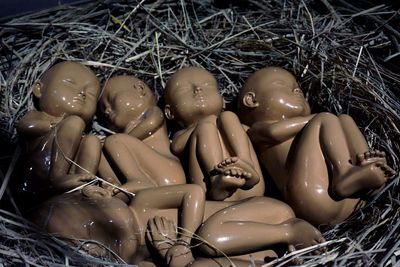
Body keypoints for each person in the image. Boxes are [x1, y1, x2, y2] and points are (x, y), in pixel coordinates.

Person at [237, 67, 396, 225]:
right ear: (251, 100)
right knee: (325, 119)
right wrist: (317, 117)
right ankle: (345, 173)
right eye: (281, 84)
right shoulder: (256, 129)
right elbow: (274, 132)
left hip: (353, 201)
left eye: (297, 88)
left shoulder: (315, 126)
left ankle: (367, 168)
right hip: (311, 199)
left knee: (345, 119)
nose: (297, 90)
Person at [33, 183, 325, 266]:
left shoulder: (142, 203)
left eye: (90, 223)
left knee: (206, 239)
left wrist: (184, 242)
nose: (102, 238)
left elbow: (194, 192)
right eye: (90, 244)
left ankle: (290, 231)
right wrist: (168, 254)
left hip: (263, 216)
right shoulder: (138, 260)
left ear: (97, 194)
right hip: (253, 251)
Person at [164, 67, 264, 201]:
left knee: (229, 116)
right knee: (206, 124)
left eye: (207, 86)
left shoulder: (231, 121)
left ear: (223, 101)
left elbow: (254, 135)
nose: (198, 89)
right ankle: (216, 178)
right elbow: (177, 146)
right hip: (212, 192)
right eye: (183, 91)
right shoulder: (183, 134)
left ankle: (246, 163)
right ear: (170, 112)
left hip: (251, 187)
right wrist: (201, 125)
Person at [15, 61, 102, 207]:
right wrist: (54, 124)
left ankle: (85, 184)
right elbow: (25, 126)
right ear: (38, 89)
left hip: (64, 191)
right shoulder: (41, 116)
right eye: (69, 83)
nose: (82, 93)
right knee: (75, 122)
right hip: (36, 180)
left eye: (91, 94)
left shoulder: (79, 134)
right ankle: (57, 177)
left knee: (92, 140)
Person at [97, 75, 186, 196]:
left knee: (113, 142)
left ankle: (138, 180)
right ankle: (113, 185)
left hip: (168, 171)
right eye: (104, 109)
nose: (107, 110)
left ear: (140, 89)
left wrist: (124, 139)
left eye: (112, 100)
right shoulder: (122, 138)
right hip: (150, 185)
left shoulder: (152, 111)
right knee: (99, 150)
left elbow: (151, 123)